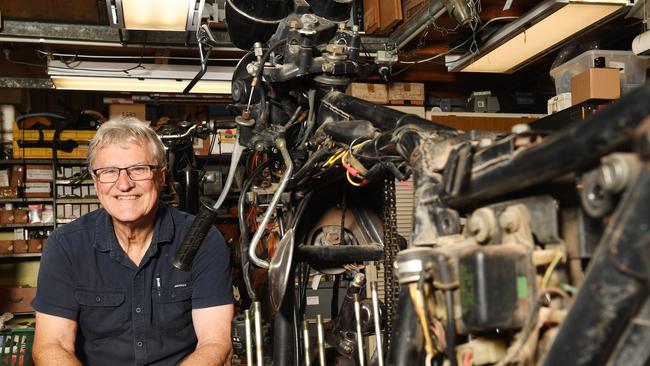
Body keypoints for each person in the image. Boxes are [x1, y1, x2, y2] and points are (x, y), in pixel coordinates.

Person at [32, 118, 234, 365]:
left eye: (138, 169)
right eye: (109, 172)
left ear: (161, 177)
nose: (124, 184)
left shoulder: (202, 239)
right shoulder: (66, 246)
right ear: (96, 183)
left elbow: (215, 344)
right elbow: (51, 345)